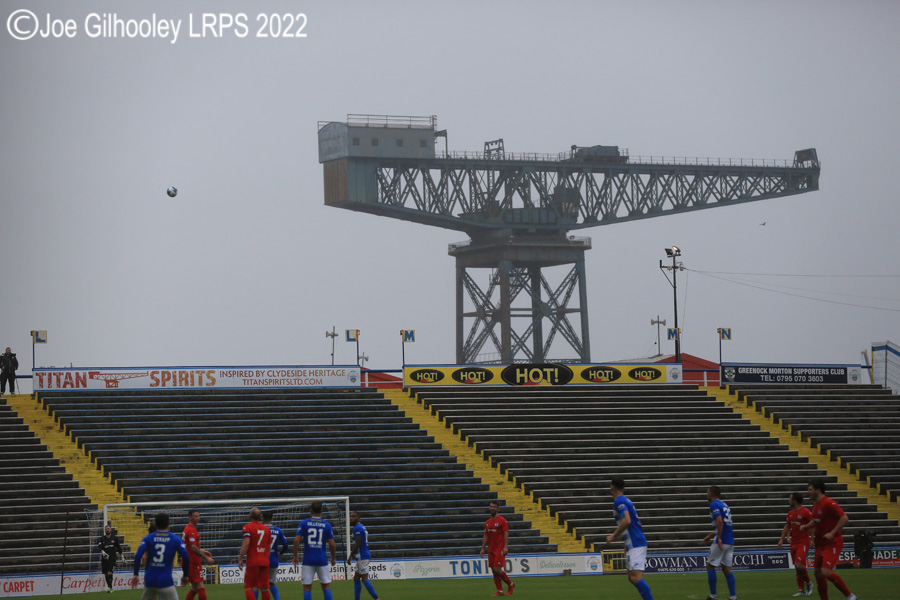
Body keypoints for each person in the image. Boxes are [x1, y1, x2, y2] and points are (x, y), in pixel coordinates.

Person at [801, 480, 857, 600]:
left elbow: (844, 518)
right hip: (820, 544)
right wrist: (806, 527)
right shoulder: (816, 504)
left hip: (832, 543)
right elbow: (815, 520)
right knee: (817, 574)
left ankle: (849, 595)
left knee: (825, 572)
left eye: (810, 489)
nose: (808, 492)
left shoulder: (829, 503)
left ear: (818, 490)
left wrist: (832, 533)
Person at [605, 478, 654, 600]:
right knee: (631, 578)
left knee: (636, 577)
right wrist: (626, 544)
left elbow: (627, 520)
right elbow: (636, 523)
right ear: (624, 488)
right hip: (633, 543)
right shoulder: (626, 500)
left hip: (636, 543)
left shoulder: (619, 501)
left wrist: (613, 536)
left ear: (611, 487)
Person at [130, 513, 190, 600]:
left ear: (156, 523)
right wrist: (185, 575)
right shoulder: (175, 539)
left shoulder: (148, 538)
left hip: (150, 580)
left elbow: (138, 555)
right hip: (166, 581)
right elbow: (186, 557)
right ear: (169, 523)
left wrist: (136, 574)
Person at [293, 501, 337, 600]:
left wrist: (295, 555)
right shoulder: (326, 525)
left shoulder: (304, 523)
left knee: (307, 587)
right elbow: (332, 544)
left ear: (310, 510)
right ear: (321, 511)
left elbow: (296, 540)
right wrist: (333, 557)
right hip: (322, 559)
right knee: (326, 586)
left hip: (308, 560)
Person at [702, 486, 736, 600]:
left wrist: (719, 537)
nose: (707, 494)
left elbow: (720, 521)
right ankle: (733, 597)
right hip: (730, 541)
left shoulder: (714, 505)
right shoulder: (724, 505)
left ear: (711, 493)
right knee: (726, 569)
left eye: (707, 492)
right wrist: (711, 535)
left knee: (710, 566)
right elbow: (723, 524)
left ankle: (713, 596)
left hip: (722, 540)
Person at [777, 492, 814, 596]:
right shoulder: (791, 513)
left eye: (790, 499)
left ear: (794, 500)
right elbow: (787, 526)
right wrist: (782, 539)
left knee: (798, 564)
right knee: (797, 567)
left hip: (803, 542)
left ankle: (809, 583)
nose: (789, 500)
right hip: (794, 543)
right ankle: (801, 590)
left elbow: (812, 525)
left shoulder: (806, 512)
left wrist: (812, 539)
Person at [480, 500, 515, 597]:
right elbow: (485, 535)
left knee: (497, 569)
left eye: (494, 507)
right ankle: (500, 591)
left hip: (499, 548)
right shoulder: (488, 522)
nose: (492, 508)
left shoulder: (502, 520)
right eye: (491, 506)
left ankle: (511, 584)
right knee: (493, 570)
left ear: (497, 508)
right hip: (491, 549)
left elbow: (506, 533)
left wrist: (505, 546)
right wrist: (483, 548)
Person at [238, 508, 272, 600]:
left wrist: (240, 558)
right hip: (264, 561)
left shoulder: (247, 527)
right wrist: (266, 559)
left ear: (250, 516)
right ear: (260, 517)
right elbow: (269, 547)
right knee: (265, 588)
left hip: (253, 561)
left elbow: (246, 543)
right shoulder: (266, 529)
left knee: (248, 587)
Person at [347, 511, 380, 600]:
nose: (351, 518)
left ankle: (377, 599)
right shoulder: (362, 527)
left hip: (362, 556)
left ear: (358, 518)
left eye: (353, 516)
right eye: (350, 516)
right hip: (363, 555)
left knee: (365, 579)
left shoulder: (357, 528)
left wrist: (350, 556)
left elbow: (357, 543)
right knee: (356, 578)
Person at [183, 509, 215, 600]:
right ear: (190, 517)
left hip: (190, 561)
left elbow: (190, 546)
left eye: (198, 516)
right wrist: (206, 558)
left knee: (195, 588)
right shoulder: (191, 530)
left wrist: (202, 551)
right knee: (200, 586)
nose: (197, 518)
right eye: (195, 516)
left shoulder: (189, 528)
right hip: (192, 562)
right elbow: (193, 547)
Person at [260, 510, 289, 600]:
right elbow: (286, 545)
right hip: (273, 560)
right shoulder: (278, 530)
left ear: (262, 518)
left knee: (260, 584)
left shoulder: (260, 529)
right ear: (272, 518)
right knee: (272, 583)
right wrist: (281, 553)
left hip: (262, 559)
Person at [98, 524, 123, 593]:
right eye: (106, 529)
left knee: (109, 572)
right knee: (106, 573)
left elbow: (118, 547)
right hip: (105, 559)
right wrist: (103, 552)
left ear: (110, 530)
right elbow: (100, 547)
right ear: (105, 530)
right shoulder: (102, 539)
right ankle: (110, 587)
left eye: (108, 528)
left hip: (112, 558)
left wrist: (122, 556)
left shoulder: (114, 538)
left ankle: (110, 587)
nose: (107, 530)